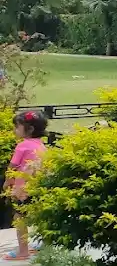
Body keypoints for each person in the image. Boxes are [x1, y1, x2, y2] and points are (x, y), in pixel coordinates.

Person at [4, 111, 47, 262]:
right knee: (41, 216)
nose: (15, 130)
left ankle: (23, 251)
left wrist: (7, 182)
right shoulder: (41, 145)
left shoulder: (22, 146)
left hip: (22, 191)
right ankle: (45, 245)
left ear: (29, 129)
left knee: (19, 218)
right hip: (38, 188)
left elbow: (12, 167)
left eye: (17, 127)